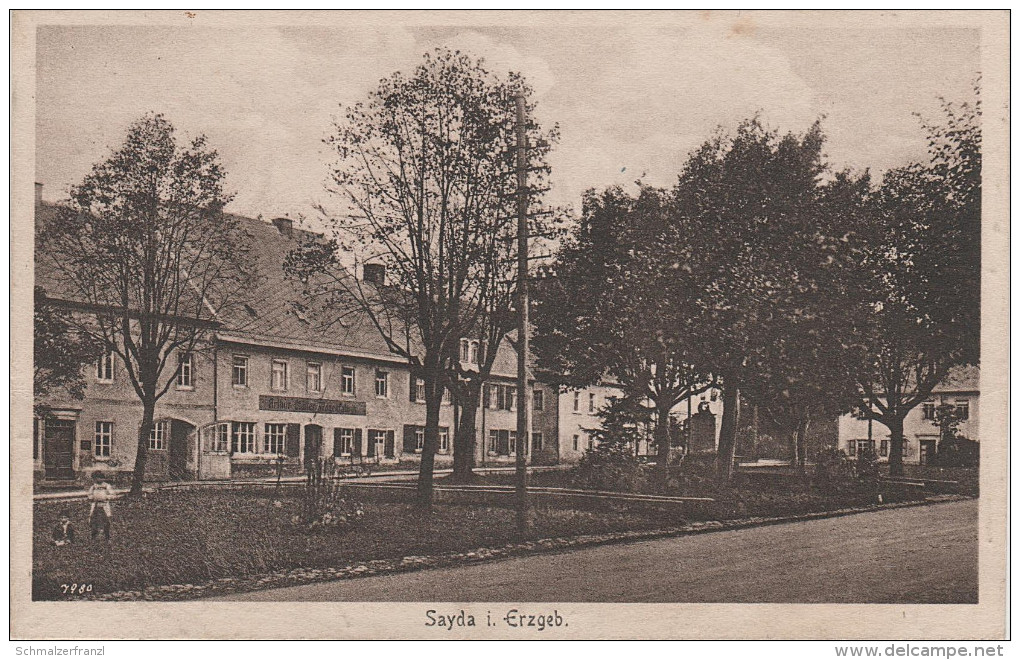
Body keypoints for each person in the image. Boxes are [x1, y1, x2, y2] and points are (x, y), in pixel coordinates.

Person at [87, 472, 115, 541]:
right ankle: (94, 535)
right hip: (95, 504)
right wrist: (92, 497)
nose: (98, 480)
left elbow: (113, 495)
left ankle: (107, 536)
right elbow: (89, 494)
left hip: (104, 504)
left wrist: (106, 497)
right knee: (94, 520)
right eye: (96, 478)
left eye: (100, 478)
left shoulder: (106, 486)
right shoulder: (94, 486)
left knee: (105, 520)